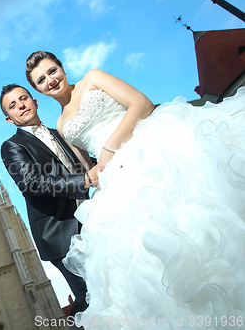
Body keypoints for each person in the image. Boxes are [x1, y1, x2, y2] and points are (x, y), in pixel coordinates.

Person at [25, 51, 245, 329]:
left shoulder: (92, 79)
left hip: (146, 145)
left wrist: (109, 147)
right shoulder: (60, 125)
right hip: (116, 179)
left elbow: (141, 103)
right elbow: (86, 165)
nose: (50, 80)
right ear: (38, 91)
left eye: (52, 71)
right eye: (41, 80)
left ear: (62, 68)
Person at [0, 84, 98, 314]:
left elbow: (84, 164)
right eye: (12, 106)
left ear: (35, 101)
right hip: (59, 232)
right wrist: (85, 180)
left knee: (110, 285)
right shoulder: (12, 146)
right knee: (90, 299)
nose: (20, 105)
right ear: (9, 119)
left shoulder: (58, 132)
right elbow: (33, 184)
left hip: (90, 219)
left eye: (23, 98)